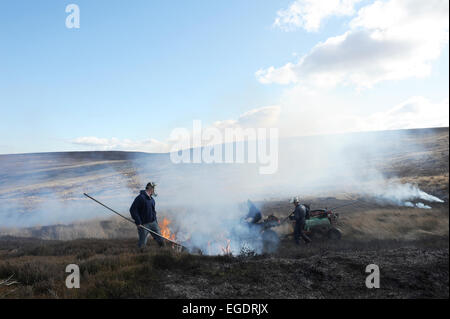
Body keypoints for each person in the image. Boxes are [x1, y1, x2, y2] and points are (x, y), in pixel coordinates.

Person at [130, 182, 164, 249]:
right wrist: (138, 221)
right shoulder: (140, 198)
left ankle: (164, 251)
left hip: (153, 223)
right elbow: (133, 210)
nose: (154, 190)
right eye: (153, 188)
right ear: (150, 188)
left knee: (160, 239)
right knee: (142, 242)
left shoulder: (152, 200)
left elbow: (153, 212)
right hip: (143, 224)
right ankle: (141, 255)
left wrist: (156, 222)